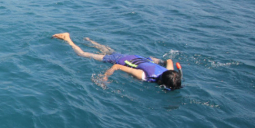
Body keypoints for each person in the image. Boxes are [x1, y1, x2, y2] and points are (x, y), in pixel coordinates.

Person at [52, 33, 182, 90]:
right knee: (83, 54)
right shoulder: (142, 75)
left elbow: (169, 60)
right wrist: (105, 77)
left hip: (136, 57)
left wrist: (157, 61)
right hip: (121, 61)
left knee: (109, 51)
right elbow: (117, 66)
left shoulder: (169, 71)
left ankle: (89, 40)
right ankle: (67, 38)